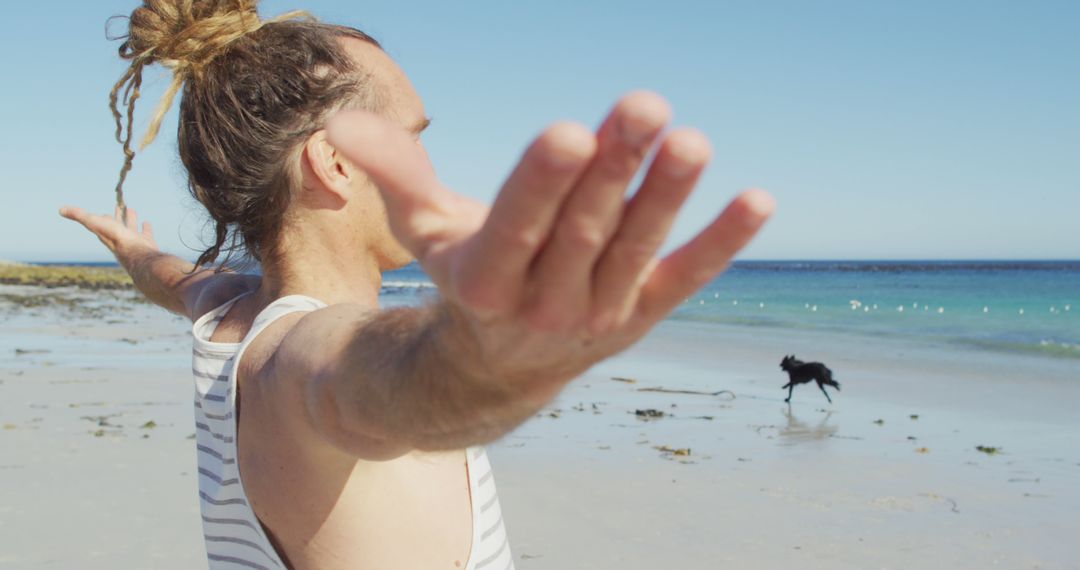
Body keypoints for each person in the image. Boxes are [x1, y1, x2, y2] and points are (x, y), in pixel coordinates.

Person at [61, 1, 774, 568]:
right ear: (336, 163)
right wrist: (490, 359)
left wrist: (134, 250)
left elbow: (175, 279)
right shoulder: (297, 361)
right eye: (414, 134)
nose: (430, 161)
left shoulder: (226, 310)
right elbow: (379, 381)